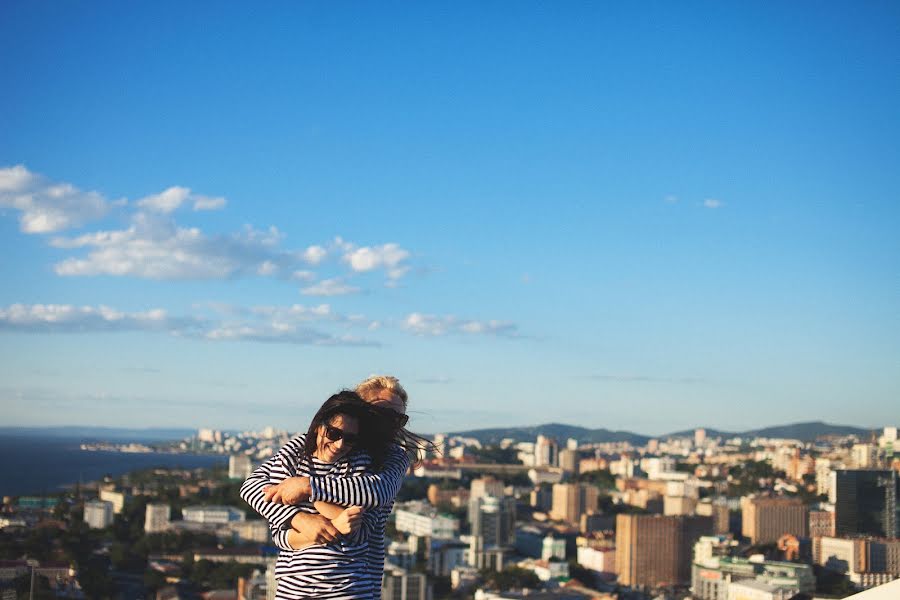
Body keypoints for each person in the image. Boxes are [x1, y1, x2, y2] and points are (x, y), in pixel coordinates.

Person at [241, 377, 425, 599]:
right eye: (385, 413)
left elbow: (378, 492)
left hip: (352, 587)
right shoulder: (301, 449)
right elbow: (253, 487)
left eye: (399, 419)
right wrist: (300, 519)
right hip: (294, 588)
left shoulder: (388, 457)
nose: (392, 424)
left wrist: (307, 487)